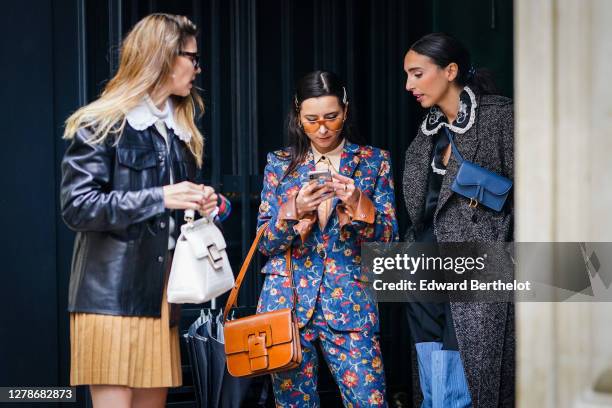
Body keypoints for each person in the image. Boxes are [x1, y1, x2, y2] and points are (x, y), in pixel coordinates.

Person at [60, 14, 230, 408]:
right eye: (192, 57)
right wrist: (161, 197)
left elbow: (181, 209)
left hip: (163, 296)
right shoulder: (102, 123)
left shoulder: (179, 131)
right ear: (165, 59)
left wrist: (210, 203)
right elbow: (78, 207)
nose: (198, 67)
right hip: (111, 299)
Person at [255, 70, 398, 407]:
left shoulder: (374, 162)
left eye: (331, 117)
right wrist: (293, 210)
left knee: (370, 400)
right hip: (287, 307)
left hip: (351, 302)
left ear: (345, 111)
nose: (322, 128)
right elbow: (264, 243)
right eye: (311, 119)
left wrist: (357, 203)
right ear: (298, 115)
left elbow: (388, 242)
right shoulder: (280, 164)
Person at [402, 33, 514, 407]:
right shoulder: (426, 133)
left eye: (417, 74)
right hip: (425, 271)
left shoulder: (500, 117)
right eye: (407, 75)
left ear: (450, 70)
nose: (409, 85)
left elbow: (534, 192)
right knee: (430, 353)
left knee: (470, 357)